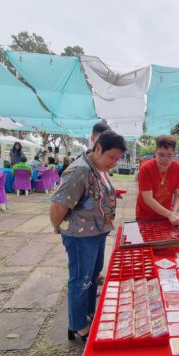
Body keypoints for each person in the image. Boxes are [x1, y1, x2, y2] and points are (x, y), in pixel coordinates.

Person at [49, 130, 126, 340]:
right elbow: (58, 206)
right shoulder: (79, 170)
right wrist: (57, 226)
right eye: (111, 157)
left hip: (96, 232)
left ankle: (89, 311)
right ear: (98, 148)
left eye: (117, 160)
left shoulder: (97, 168)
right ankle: (77, 324)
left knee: (92, 276)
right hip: (81, 236)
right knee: (81, 279)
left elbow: (93, 192)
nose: (113, 163)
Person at [136, 135, 179, 226]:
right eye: (161, 154)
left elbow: (178, 194)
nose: (164, 159)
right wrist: (170, 214)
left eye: (169, 155)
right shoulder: (146, 168)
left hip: (166, 214)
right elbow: (148, 199)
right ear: (155, 152)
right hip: (145, 214)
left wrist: (174, 212)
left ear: (175, 154)